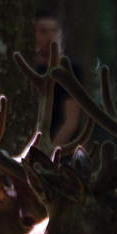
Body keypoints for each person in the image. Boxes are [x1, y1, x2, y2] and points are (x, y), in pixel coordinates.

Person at [34, 12, 85, 150]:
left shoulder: (69, 68)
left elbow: (71, 122)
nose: (50, 37)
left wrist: (48, 153)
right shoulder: (26, 66)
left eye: (55, 31)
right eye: (43, 31)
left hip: (61, 152)